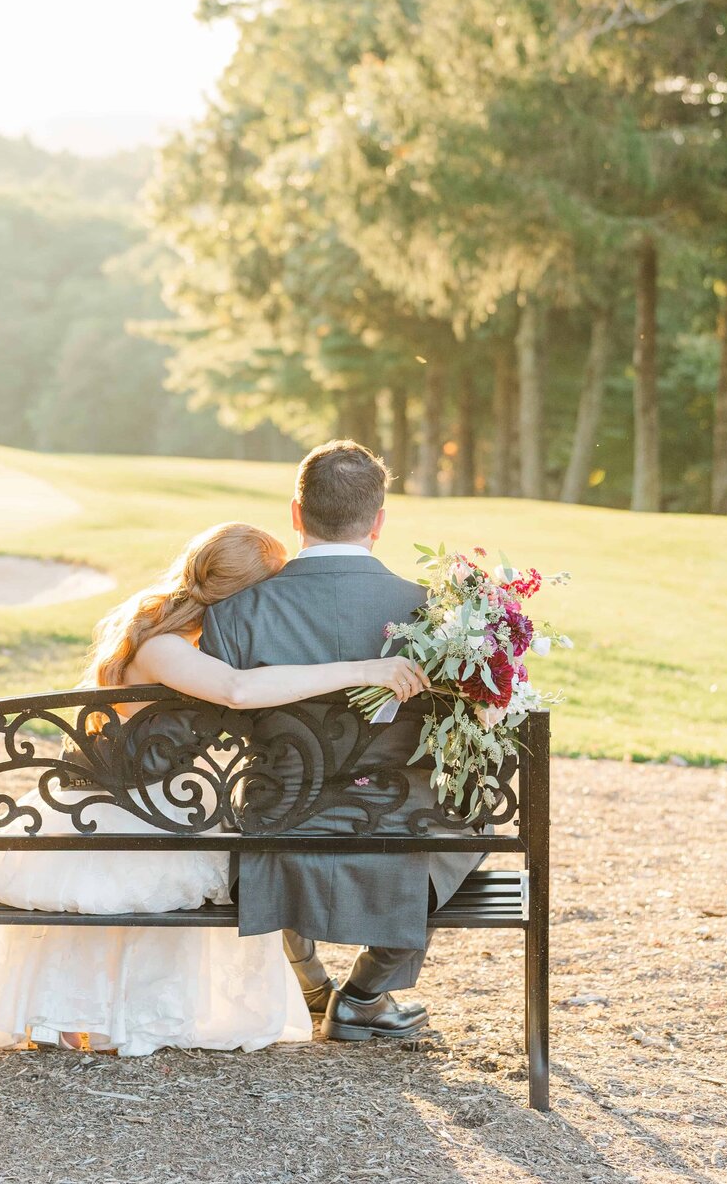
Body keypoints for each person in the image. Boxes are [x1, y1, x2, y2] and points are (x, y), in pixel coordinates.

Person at [0, 520, 428, 1059]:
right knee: (210, 865)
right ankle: (89, 1018)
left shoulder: (169, 634)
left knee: (242, 856)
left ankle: (251, 995)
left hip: (149, 807)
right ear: (241, 593)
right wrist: (364, 668)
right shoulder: (163, 646)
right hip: (117, 812)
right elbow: (237, 691)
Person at [200, 440, 480, 1042]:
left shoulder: (236, 614)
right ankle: (365, 992)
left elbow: (215, 728)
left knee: (266, 797)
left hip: (275, 829)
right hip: (397, 834)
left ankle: (307, 978)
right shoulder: (437, 614)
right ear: (379, 522)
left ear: (296, 515)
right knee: (469, 822)